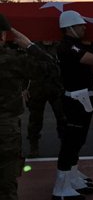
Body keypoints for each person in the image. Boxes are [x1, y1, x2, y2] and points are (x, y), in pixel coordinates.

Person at [52, 10, 93, 200]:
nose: (85, 27)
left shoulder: (78, 45)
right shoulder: (69, 47)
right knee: (70, 143)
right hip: (75, 99)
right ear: (69, 28)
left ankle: (71, 175)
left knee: (78, 141)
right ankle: (60, 187)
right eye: (80, 25)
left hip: (84, 97)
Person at [0, 14, 57, 200]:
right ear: (2, 36)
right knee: (5, 185)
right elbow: (51, 68)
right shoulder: (11, 60)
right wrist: (30, 46)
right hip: (4, 129)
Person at [25, 41, 66, 158]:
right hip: (37, 88)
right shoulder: (33, 47)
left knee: (62, 118)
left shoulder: (59, 47)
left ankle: (65, 145)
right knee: (35, 120)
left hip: (56, 88)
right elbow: (26, 68)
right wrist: (23, 88)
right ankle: (34, 146)